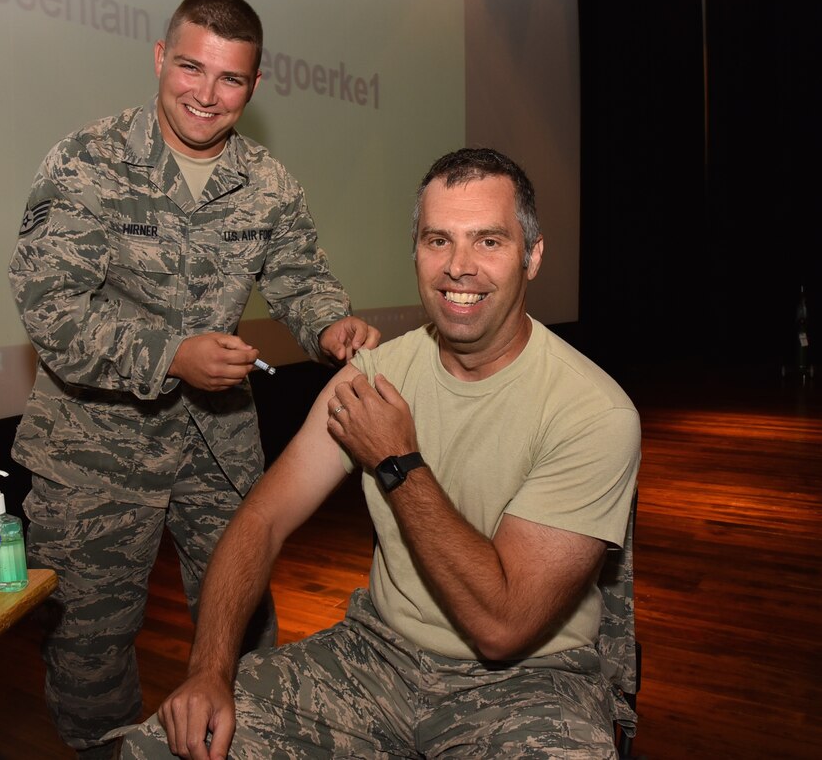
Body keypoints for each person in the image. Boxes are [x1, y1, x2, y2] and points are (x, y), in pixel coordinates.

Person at [119, 147, 641, 759]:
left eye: (489, 242)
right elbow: (261, 520)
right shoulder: (374, 377)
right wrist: (210, 668)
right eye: (438, 240)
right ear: (415, 251)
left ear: (532, 255)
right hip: (376, 657)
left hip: (529, 685)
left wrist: (398, 463)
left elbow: (504, 628)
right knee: (165, 747)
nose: (458, 267)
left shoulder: (593, 412)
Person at [8, 0, 379, 758]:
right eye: (190, 68)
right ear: (159, 59)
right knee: (88, 642)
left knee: (241, 623)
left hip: (217, 448)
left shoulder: (268, 183)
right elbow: (49, 308)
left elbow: (301, 277)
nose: (206, 95)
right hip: (93, 454)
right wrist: (170, 355)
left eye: (230, 80)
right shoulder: (88, 161)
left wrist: (328, 323)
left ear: (253, 85)